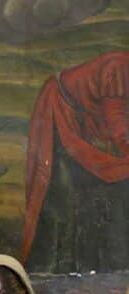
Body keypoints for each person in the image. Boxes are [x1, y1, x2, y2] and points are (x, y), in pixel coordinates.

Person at [21, 51, 129, 273]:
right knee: (66, 193)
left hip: (83, 122)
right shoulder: (118, 65)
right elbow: (117, 125)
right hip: (59, 110)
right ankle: (60, 265)